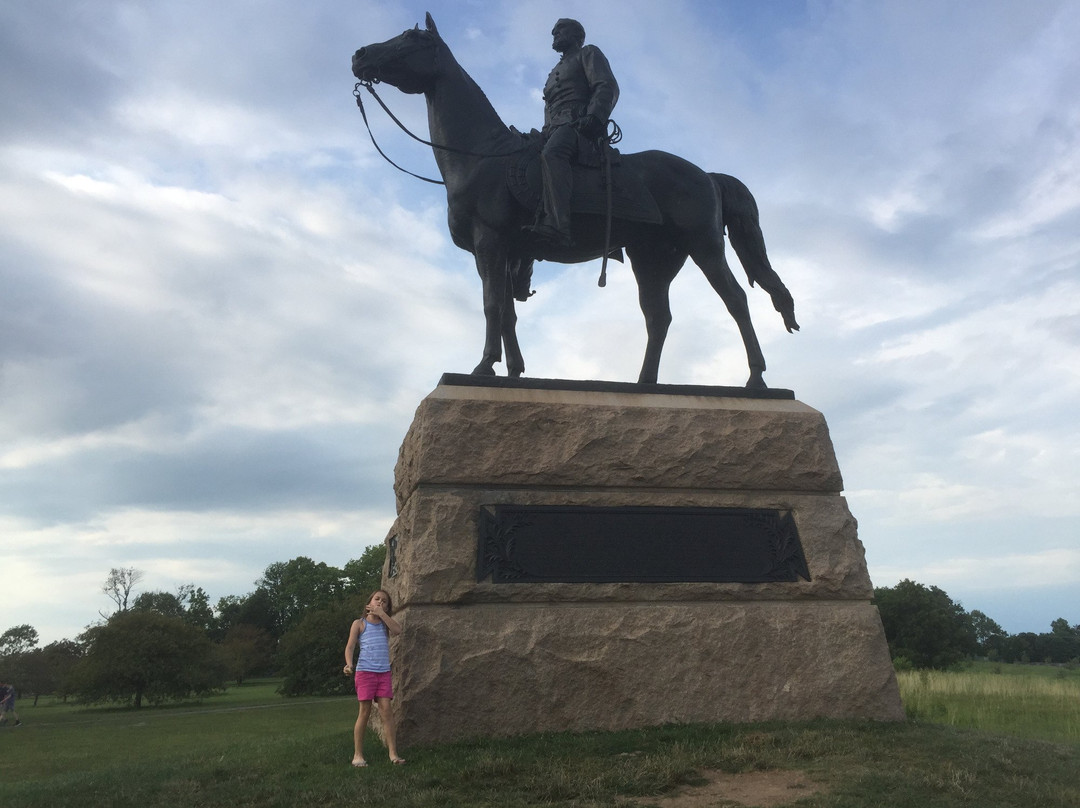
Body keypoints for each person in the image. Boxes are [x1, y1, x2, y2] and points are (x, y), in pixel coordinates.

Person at [523, 18, 619, 247]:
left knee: (553, 154)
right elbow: (550, 110)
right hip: (554, 129)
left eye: (560, 30)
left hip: (581, 128)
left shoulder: (588, 53)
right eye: (554, 31)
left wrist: (594, 116)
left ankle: (558, 225)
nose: (554, 33)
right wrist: (543, 133)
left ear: (577, 35)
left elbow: (606, 85)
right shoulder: (553, 72)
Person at [343, 590, 404, 767]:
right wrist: (349, 664)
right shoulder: (359, 623)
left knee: (386, 710)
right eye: (377, 599)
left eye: (384, 601)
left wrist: (382, 614)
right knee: (365, 712)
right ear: (369, 602)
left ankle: (393, 754)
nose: (380, 602)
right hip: (365, 673)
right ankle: (358, 755)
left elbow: (398, 630)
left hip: (383, 673)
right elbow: (350, 647)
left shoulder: (385, 623)